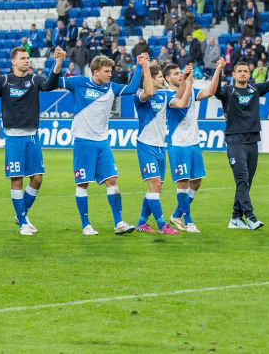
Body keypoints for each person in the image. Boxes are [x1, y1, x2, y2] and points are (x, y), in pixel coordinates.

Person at [58, 54, 148, 235]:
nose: (110, 74)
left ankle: (119, 223)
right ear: (96, 71)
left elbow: (131, 88)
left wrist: (139, 67)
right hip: (83, 141)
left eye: (111, 71)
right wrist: (58, 62)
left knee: (112, 180)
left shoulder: (111, 87)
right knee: (83, 184)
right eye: (106, 71)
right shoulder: (78, 82)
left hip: (102, 142)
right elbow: (53, 82)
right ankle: (86, 225)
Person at [0, 47, 66, 235]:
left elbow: (50, 85)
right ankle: (22, 223)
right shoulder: (4, 80)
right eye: (23, 58)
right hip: (13, 137)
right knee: (17, 180)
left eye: (28, 58)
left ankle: (21, 214)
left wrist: (58, 63)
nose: (27, 60)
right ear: (14, 62)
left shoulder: (35, 79)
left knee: (37, 178)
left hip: (32, 136)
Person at [217, 51, 269, 229]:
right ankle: (250, 217)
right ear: (234, 75)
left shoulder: (255, 89)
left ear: (249, 74)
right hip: (235, 141)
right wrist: (218, 70)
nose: (243, 73)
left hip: (253, 141)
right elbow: (214, 91)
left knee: (246, 182)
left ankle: (235, 218)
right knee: (243, 179)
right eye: (240, 71)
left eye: (245, 71)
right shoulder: (228, 91)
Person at [166, 59, 225, 233]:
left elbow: (210, 91)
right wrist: (187, 81)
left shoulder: (191, 92)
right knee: (183, 184)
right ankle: (189, 221)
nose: (179, 75)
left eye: (180, 72)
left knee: (197, 181)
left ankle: (177, 214)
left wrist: (218, 70)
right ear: (167, 79)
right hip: (178, 145)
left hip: (193, 144)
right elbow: (181, 101)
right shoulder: (169, 96)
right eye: (176, 74)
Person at [133, 63, 192, 235]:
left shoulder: (164, 95)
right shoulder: (140, 96)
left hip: (160, 147)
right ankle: (161, 225)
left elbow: (181, 102)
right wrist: (145, 68)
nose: (162, 79)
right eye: (159, 77)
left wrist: (186, 82)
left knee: (155, 187)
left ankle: (142, 223)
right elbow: (148, 92)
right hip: (146, 145)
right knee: (155, 184)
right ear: (150, 79)